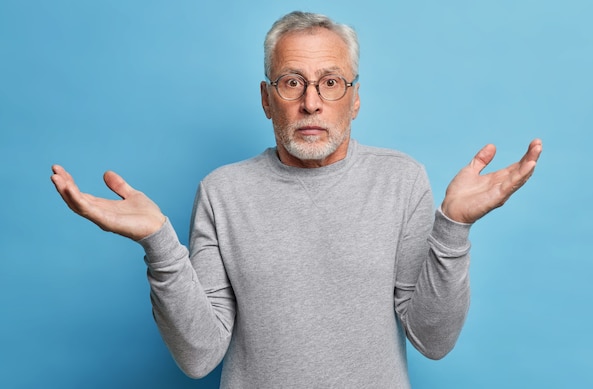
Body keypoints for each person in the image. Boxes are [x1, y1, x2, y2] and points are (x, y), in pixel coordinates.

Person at [51, 11, 542, 388]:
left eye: (330, 82)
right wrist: (158, 243)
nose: (311, 101)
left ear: (354, 98)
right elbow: (200, 356)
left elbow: (433, 340)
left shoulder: (402, 180)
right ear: (267, 99)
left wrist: (453, 226)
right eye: (292, 82)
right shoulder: (222, 192)